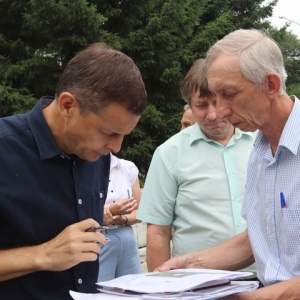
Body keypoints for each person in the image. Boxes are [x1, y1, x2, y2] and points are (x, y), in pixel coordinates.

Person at [156, 28, 300, 299]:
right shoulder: (259, 150)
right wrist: (189, 265)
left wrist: (249, 298)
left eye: (229, 94)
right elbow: (256, 239)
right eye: (213, 96)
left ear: (271, 85)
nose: (218, 112)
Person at [0, 43, 147, 299]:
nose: (115, 147)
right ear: (68, 106)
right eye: (108, 132)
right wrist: (43, 255)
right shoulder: (4, 150)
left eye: (124, 135)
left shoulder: (94, 154)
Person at [137, 58, 256, 273]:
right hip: (198, 285)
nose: (212, 115)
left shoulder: (262, 143)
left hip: (265, 281)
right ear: (189, 105)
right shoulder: (169, 154)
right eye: (201, 105)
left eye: (218, 103)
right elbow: (158, 231)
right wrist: (161, 290)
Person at [98, 153, 142, 281]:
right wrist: (109, 212)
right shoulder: (84, 169)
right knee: (99, 292)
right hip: (99, 236)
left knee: (132, 290)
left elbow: (139, 212)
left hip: (126, 236)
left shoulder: (128, 168)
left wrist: (125, 219)